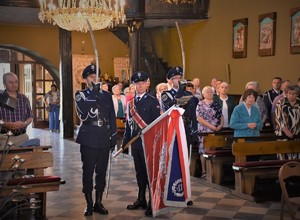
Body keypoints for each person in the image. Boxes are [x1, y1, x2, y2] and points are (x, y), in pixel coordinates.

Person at [74, 64, 117, 216]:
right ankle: (89, 203)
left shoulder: (106, 95)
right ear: (85, 79)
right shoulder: (81, 95)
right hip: (89, 137)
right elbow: (84, 112)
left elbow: (111, 115)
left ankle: (98, 202)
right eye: (91, 76)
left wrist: (113, 136)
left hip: (104, 137)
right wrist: (95, 94)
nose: (94, 78)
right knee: (88, 172)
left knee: (101, 171)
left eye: (95, 76)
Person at [121, 71, 160, 217]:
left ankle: (152, 202)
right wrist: (124, 143)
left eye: (143, 83)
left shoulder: (153, 101)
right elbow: (128, 125)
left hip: (149, 143)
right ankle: (141, 199)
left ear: (147, 83)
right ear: (134, 85)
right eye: (137, 83)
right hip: (135, 142)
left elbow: (157, 125)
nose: (140, 85)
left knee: (150, 174)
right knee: (140, 173)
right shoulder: (131, 102)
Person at [160, 66, 198, 206]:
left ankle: (185, 195)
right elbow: (173, 107)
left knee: (185, 163)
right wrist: (181, 92)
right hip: (173, 131)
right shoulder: (166, 94)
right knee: (172, 162)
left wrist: (194, 132)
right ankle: (170, 192)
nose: (178, 80)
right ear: (169, 80)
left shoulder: (190, 95)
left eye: (180, 78)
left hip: (185, 131)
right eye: (175, 78)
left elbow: (193, 115)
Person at [196, 86, 223, 179]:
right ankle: (204, 171)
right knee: (203, 150)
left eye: (211, 92)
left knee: (213, 149)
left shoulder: (216, 103)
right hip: (204, 129)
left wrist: (220, 125)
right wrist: (211, 126)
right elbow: (199, 118)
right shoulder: (200, 104)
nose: (210, 93)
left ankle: (213, 170)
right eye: (207, 92)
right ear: (203, 94)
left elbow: (221, 116)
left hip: (215, 129)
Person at [0, 72, 33, 148]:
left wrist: (24, 123)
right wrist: (5, 124)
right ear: (4, 83)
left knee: (22, 159)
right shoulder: (1, 97)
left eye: (16, 82)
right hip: (4, 138)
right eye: (11, 82)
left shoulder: (23, 98)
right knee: (6, 159)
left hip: (22, 137)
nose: (14, 84)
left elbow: (30, 116)